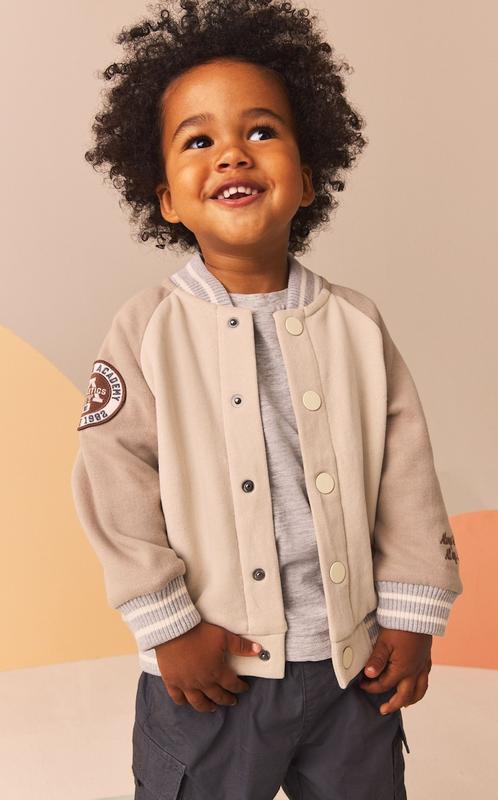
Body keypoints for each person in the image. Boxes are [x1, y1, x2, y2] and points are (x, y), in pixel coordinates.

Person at [70, 1, 464, 797]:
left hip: (354, 667)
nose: (231, 154)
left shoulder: (355, 324)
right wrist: (168, 624)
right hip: (212, 672)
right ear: (166, 199)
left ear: (307, 178)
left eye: (260, 131)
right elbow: (114, 481)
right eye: (198, 141)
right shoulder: (146, 329)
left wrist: (413, 613)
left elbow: (406, 477)